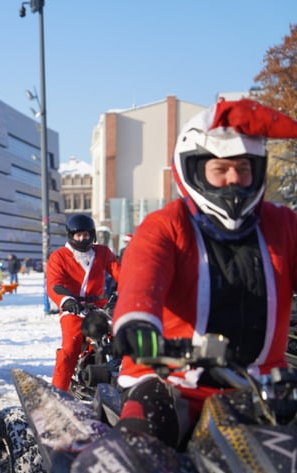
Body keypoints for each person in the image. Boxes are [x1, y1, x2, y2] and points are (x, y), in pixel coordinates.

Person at [111, 98, 297, 449]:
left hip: (266, 387)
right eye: (220, 169)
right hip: (173, 382)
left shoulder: (283, 224)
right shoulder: (166, 225)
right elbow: (141, 280)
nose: (234, 181)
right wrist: (138, 323)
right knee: (137, 464)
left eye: (243, 169)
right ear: (196, 169)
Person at [46, 213, 119, 391]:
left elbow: (120, 272)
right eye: (78, 235)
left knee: (123, 337)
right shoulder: (59, 256)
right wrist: (67, 300)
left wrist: (123, 294)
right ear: (71, 236)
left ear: (92, 234)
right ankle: (58, 392)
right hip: (74, 309)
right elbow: (54, 284)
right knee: (70, 348)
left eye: (86, 234)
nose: (82, 238)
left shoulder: (102, 252)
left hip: (100, 307)